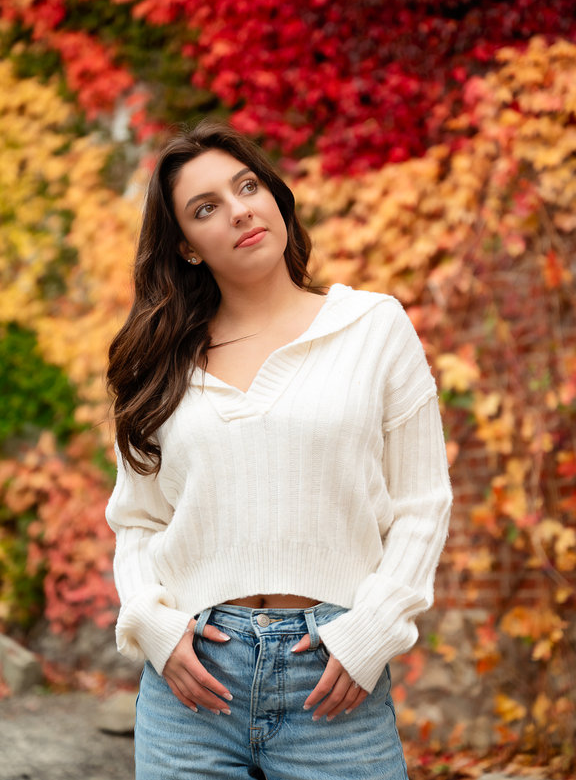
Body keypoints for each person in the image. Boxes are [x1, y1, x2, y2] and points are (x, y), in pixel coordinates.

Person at [105, 120, 452, 780]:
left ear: (273, 196)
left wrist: (370, 634)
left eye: (247, 185)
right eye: (206, 208)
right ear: (187, 247)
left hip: (331, 678)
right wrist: (154, 627)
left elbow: (422, 503)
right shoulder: (160, 363)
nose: (239, 209)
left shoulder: (372, 328)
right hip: (192, 685)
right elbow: (138, 522)